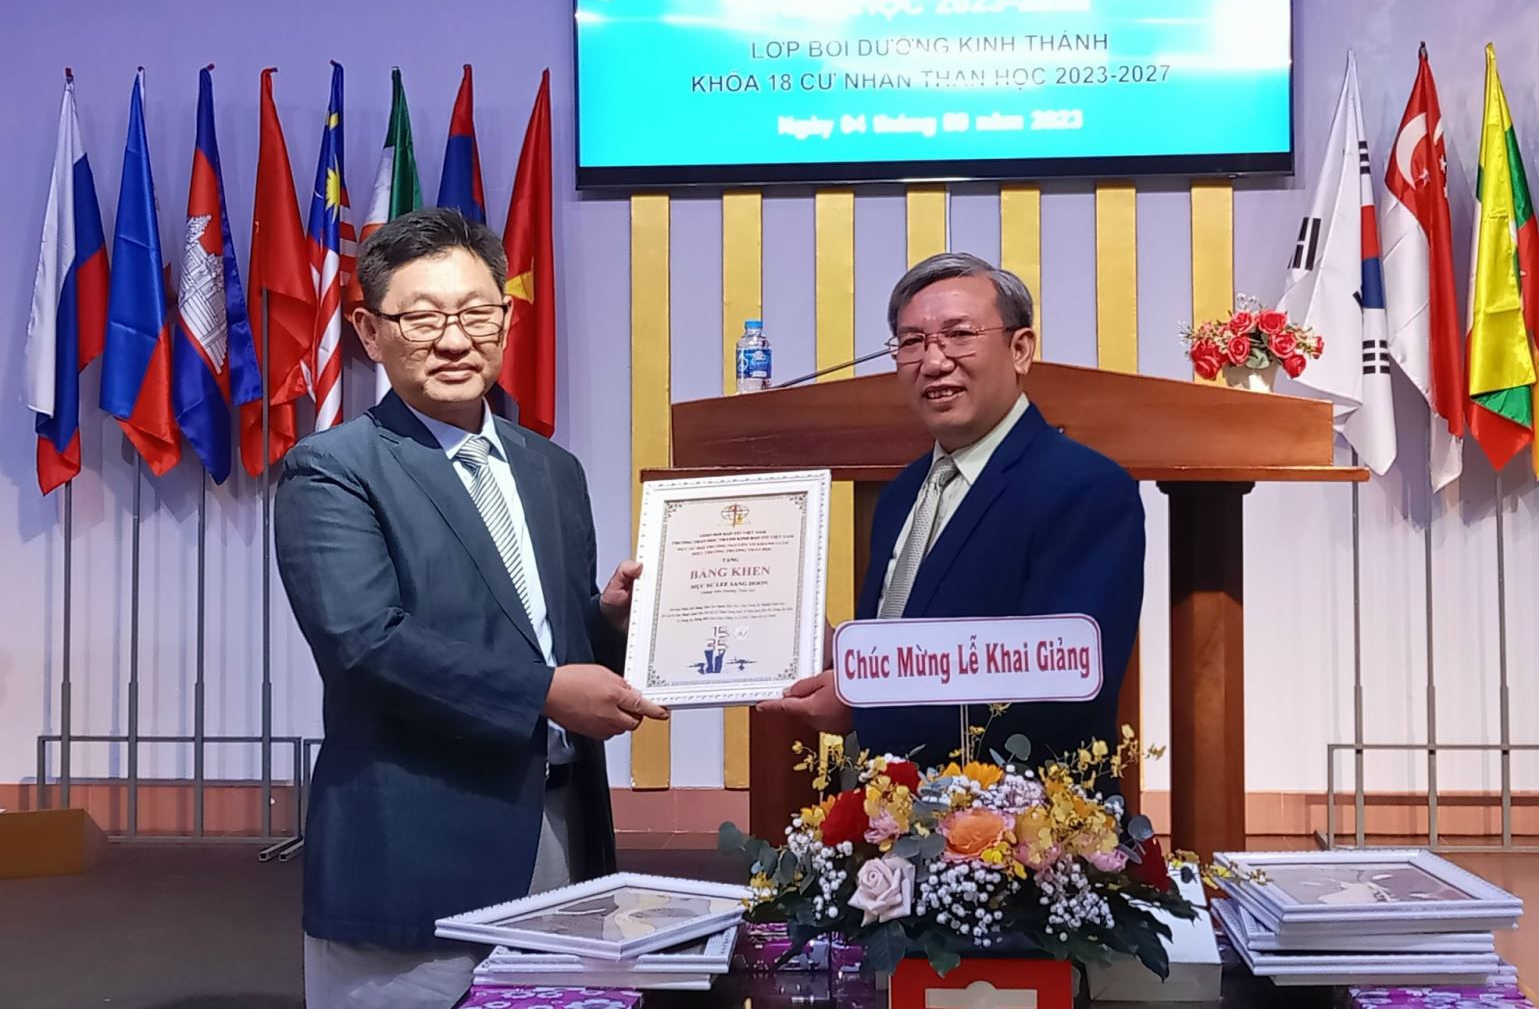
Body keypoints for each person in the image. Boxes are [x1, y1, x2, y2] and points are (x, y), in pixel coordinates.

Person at [275, 209, 667, 1008]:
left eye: (475, 313)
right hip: (416, 847)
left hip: (561, 827)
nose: (454, 340)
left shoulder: (551, 469)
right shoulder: (331, 469)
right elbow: (366, 646)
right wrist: (545, 691)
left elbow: (543, 640)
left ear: (506, 319)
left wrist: (608, 622)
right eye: (421, 318)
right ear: (370, 332)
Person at [760, 252, 1144, 766]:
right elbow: (916, 640)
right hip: (891, 801)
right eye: (912, 342)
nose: (934, 361)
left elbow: (1063, 681)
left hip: (1018, 807)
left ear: (1020, 349)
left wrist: (864, 704)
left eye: (960, 335)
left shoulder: (1086, 488)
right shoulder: (903, 493)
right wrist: (829, 651)